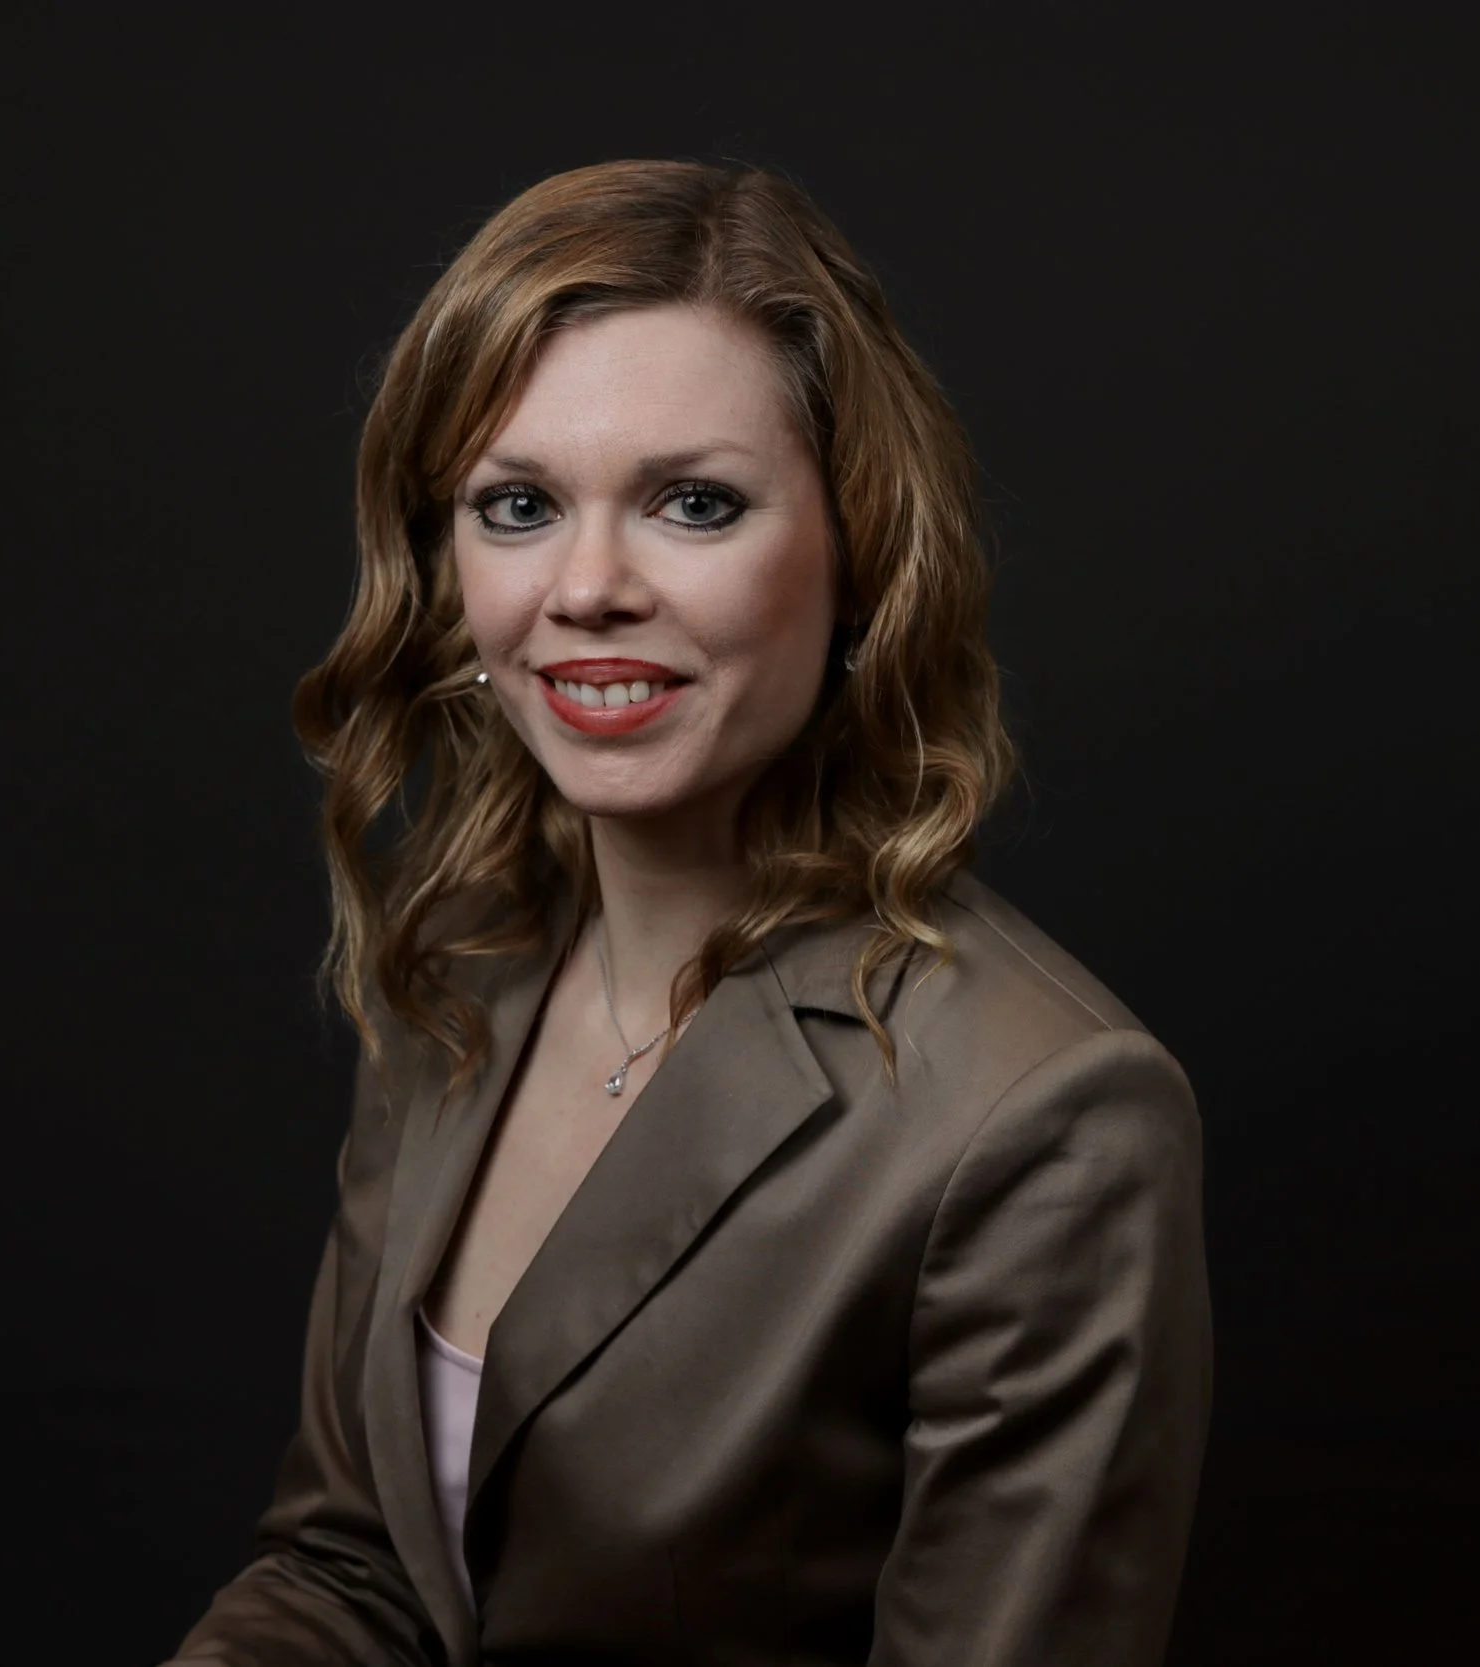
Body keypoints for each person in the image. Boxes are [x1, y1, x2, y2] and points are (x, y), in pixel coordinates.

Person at [163, 159, 1210, 1667]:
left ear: (860, 557)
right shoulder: (456, 967)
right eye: (518, 505)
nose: (587, 586)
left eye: (694, 504)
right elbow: (353, 1569)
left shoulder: (1048, 1116)